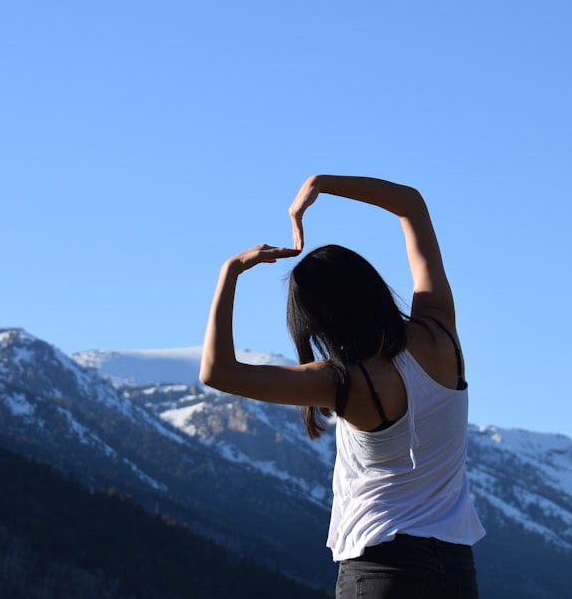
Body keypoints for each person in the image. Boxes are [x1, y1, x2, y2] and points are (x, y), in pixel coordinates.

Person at [200, 174, 485, 598]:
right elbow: (411, 205)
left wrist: (231, 271)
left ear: (318, 321)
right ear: (369, 284)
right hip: (456, 571)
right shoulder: (440, 331)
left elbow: (217, 372)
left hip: (381, 567)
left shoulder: (343, 380)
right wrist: (321, 184)